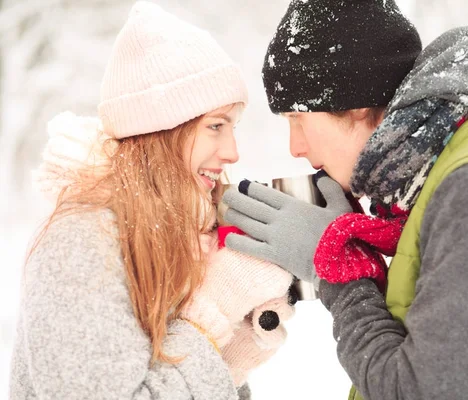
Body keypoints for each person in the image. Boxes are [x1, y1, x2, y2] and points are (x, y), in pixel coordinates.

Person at [222, 0, 468, 399]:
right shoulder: (451, 172)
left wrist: (339, 269)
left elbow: (419, 391)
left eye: (298, 119)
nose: (296, 146)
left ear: (354, 102)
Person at [9, 2, 295, 399]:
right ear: (161, 132)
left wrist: (228, 359)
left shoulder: (181, 237)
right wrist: (208, 316)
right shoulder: (82, 242)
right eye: (215, 126)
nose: (232, 151)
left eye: (233, 127)